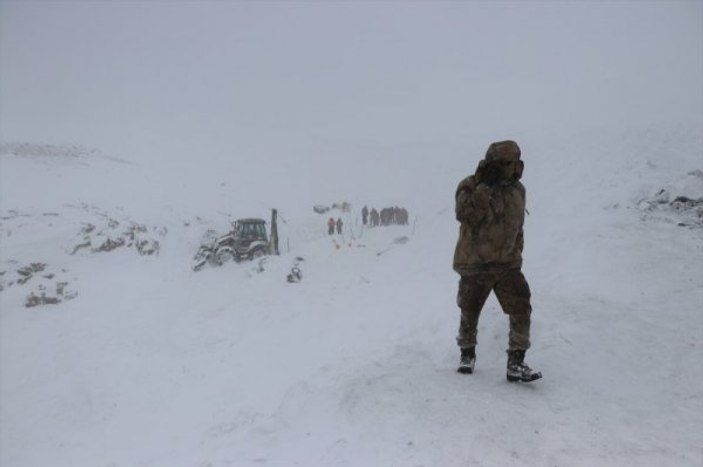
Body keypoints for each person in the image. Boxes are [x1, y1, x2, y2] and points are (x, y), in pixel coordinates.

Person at [453, 140, 541, 382]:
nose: (510, 169)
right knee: (469, 310)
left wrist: (516, 255)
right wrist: (485, 188)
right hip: (475, 263)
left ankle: (516, 361)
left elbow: (518, 227)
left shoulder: (518, 190)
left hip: (507, 265)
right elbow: (466, 215)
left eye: (514, 164)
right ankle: (467, 353)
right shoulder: (470, 185)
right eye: (504, 164)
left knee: (522, 307)